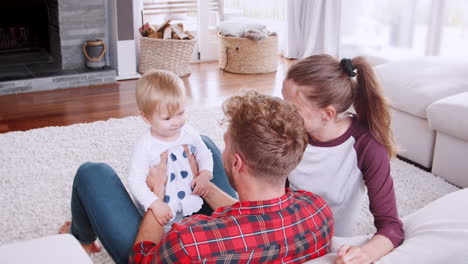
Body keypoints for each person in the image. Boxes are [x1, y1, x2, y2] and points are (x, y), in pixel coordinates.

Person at [59, 91, 334, 263]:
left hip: (165, 245)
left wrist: (157, 194)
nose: (223, 149)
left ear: (237, 163)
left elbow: (141, 259)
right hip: (252, 229)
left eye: (227, 145)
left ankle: (81, 238)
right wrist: (204, 185)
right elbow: (257, 218)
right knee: (201, 143)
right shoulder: (318, 211)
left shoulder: (190, 242)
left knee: (92, 173)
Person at [282, 54, 404, 264]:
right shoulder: (287, 130)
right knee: (209, 148)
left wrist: (364, 254)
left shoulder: (367, 146)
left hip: (325, 245)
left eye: (292, 109)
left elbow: (391, 226)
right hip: (283, 232)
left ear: (327, 114)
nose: (281, 113)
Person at [129, 70, 214, 231]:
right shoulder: (145, 146)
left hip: (192, 203)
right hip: (163, 212)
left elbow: (204, 154)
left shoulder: (189, 132)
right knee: (165, 239)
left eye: (181, 113)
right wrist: (154, 204)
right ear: (146, 118)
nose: (177, 122)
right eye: (167, 118)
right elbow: (135, 181)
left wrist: (205, 174)